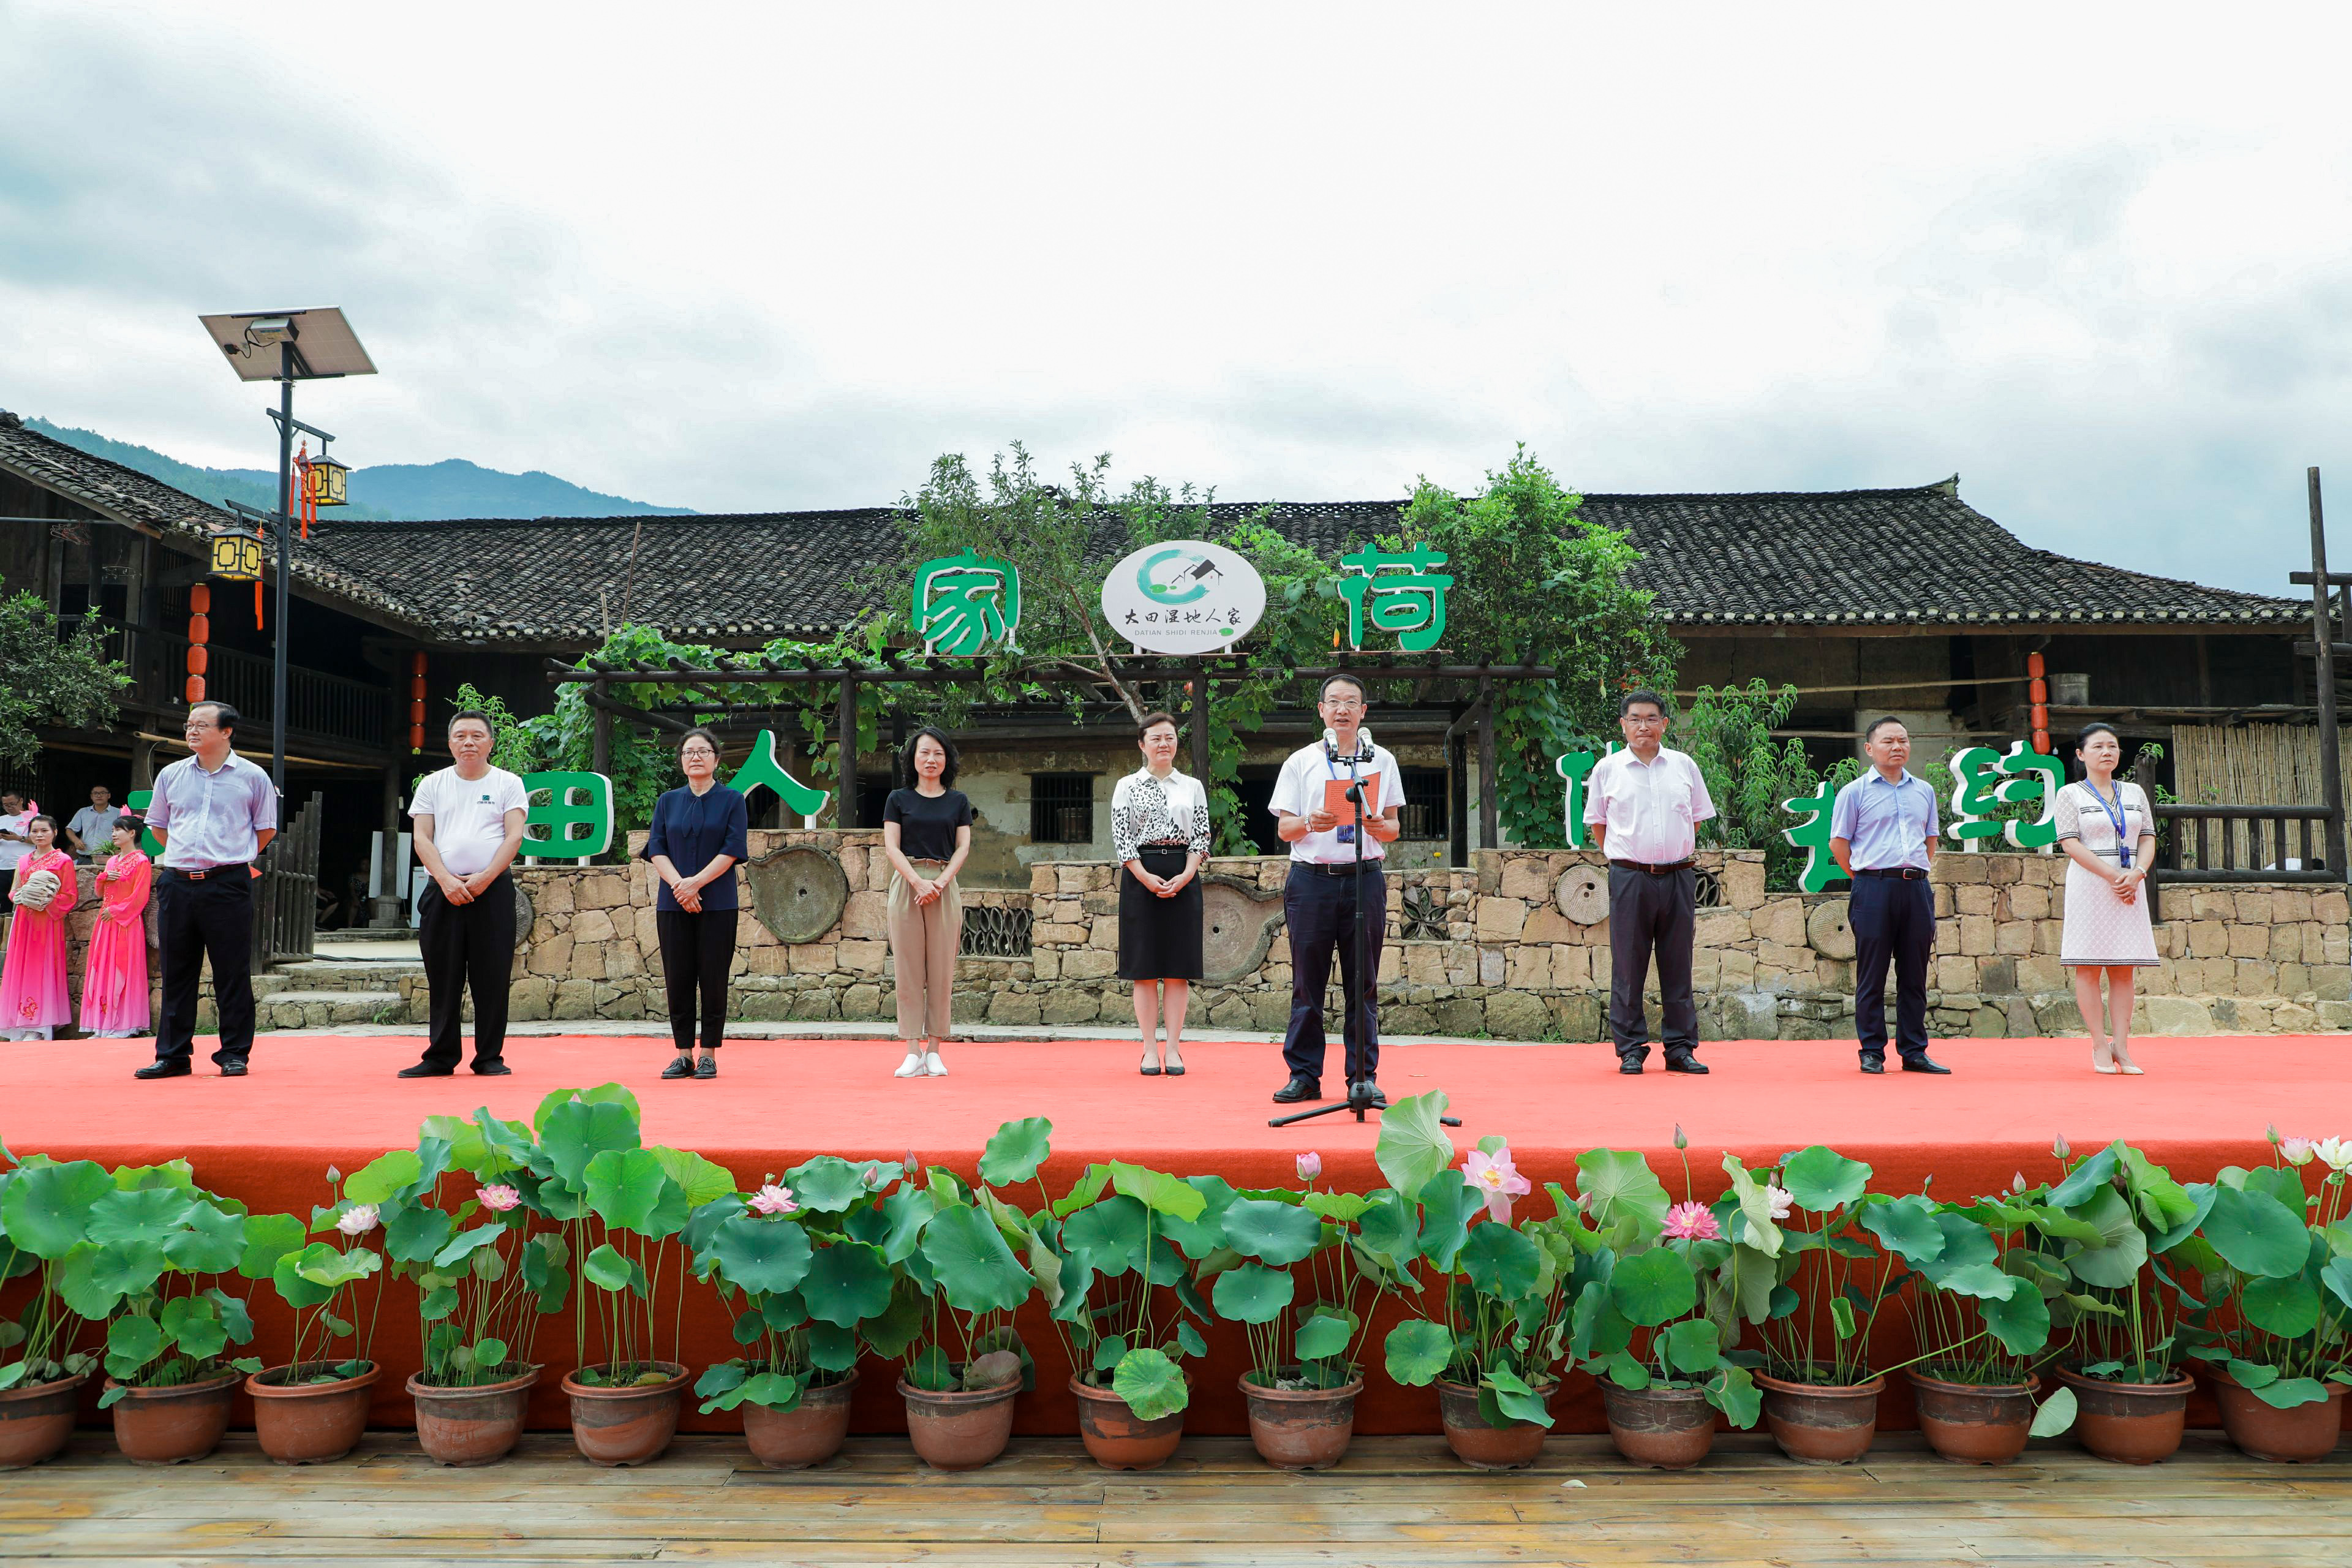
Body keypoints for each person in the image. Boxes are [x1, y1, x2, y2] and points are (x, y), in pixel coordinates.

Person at [1268, 674, 1403, 1106]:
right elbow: (1285, 828)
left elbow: (1395, 826)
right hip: (1312, 881)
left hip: (1365, 879)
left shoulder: (1381, 759)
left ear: (1364, 712)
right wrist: (1311, 821)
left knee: (1362, 983)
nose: (1342, 709)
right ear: (1322, 711)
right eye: (1334, 702)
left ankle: (1362, 1077)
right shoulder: (1301, 761)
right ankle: (1304, 1076)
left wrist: (1381, 826)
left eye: (1351, 702)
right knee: (1307, 983)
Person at [137, 702, 277, 1080]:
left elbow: (265, 830)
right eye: (188, 725)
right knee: (176, 971)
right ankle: (173, 1055)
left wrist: (226, 858)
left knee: (231, 972)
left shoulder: (253, 776)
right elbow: (159, 828)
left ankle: (234, 1054)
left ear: (227, 731)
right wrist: (188, 858)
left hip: (227, 883)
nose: (191, 731)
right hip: (177, 883)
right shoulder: (172, 774)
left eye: (201, 725)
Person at [1586, 690, 1716, 1075]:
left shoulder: (1684, 766)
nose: (1644, 726)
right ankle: (1630, 1048)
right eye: (1636, 719)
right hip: (1630, 877)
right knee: (1628, 963)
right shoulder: (1607, 770)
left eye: (1652, 718)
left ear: (1664, 724)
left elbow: (1694, 819)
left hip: (1678, 875)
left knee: (1679, 963)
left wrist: (1674, 855)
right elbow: (1598, 825)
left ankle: (1679, 1048)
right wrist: (1626, 857)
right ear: (1624, 725)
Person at [400, 710, 529, 1079]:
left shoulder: (508, 783)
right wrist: (445, 879)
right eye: (460, 736)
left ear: (490, 742)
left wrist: (486, 877)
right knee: (443, 975)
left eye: (476, 736)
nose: (468, 742)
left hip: (492, 890)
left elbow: (514, 836)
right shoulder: (433, 784)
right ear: (450, 743)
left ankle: (489, 1057)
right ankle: (440, 1056)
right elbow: (422, 837)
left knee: (491, 975)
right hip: (443, 890)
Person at [1830, 718, 1951, 1075]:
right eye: (1888, 741)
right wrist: (1866, 877)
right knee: (1872, 973)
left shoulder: (1924, 791)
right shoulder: (1854, 792)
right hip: (1872, 888)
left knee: (1914, 975)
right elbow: (1839, 843)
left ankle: (1914, 1051)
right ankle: (1872, 1052)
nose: (1897, 746)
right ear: (1870, 748)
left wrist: (1912, 872)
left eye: (1903, 740)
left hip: (1916, 888)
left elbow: (1930, 840)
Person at [642, 727, 749, 1081]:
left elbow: (733, 849)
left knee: (714, 977)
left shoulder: (733, 799)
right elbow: (656, 848)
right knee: (679, 977)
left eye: (703, 751)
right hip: (672, 903)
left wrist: (696, 884)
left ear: (716, 760)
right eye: (689, 752)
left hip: (717, 902)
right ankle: (682, 1054)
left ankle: (708, 1054)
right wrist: (679, 886)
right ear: (682, 761)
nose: (696, 757)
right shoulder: (667, 801)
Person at [2055, 722, 2158, 1076]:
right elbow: (2070, 843)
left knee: (2123, 970)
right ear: (2081, 755)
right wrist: (2114, 876)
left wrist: (2138, 874)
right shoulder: (2070, 795)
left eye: (2112, 746)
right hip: (2091, 885)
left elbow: (2147, 837)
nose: (2107, 752)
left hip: (2130, 885)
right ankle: (2099, 1044)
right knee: (2088, 969)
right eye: (2098, 747)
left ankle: (2123, 1048)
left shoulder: (2134, 793)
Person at [1114, 711, 1210, 1076]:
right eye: (1155, 738)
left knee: (1177, 970)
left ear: (1176, 743)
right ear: (1142, 745)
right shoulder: (1127, 785)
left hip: (1183, 872)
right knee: (1145, 969)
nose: (1163, 744)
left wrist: (1187, 875)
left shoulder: (1192, 786)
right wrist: (1145, 877)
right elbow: (1122, 839)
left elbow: (1201, 836)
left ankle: (1173, 1049)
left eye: (1169, 737)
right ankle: (1148, 1050)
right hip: (1141, 874)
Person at [881, 726, 973, 1079]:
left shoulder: (958, 801)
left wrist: (939, 882)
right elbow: (892, 846)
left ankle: (934, 1050)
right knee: (907, 970)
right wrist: (918, 881)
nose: (931, 759)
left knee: (940, 970)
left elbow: (963, 847)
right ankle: (910, 1050)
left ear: (946, 759)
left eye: (937, 753)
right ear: (912, 759)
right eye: (924, 753)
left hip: (944, 884)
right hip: (908, 884)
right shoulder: (898, 799)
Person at [1, 815, 75, 1040]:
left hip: (46, 923)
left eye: (44, 830)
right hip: (24, 921)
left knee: (41, 969)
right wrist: (19, 896)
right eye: (35, 831)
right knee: (20, 969)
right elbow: (14, 890)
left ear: (54, 832)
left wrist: (47, 901)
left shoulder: (63, 860)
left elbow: (70, 895)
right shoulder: (23, 860)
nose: (39, 835)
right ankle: (19, 1024)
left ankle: (39, 1025)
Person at [80, 814, 153, 1038]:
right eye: (113, 829)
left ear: (132, 833)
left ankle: (123, 1024)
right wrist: (102, 879)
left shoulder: (142, 862)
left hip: (126, 922)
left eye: (118, 829)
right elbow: (101, 893)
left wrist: (118, 911)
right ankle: (103, 1023)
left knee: (123, 967)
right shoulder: (112, 861)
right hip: (107, 920)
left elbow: (141, 896)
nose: (113, 834)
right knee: (102, 967)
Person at [66, 785, 123, 859]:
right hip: (85, 857)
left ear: (109, 795)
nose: (99, 796)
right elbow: (70, 830)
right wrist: (76, 841)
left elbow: (125, 832)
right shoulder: (83, 812)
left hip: (108, 856)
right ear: (91, 796)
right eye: (95, 793)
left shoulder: (118, 812)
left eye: (103, 793)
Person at [0, 793, 29, 875]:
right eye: (6, 805)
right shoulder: (1, 819)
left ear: (21, 801)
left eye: (12, 804)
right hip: (2, 866)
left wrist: (17, 838)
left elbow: (40, 840)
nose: (10, 808)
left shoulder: (34, 817)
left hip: (24, 866)